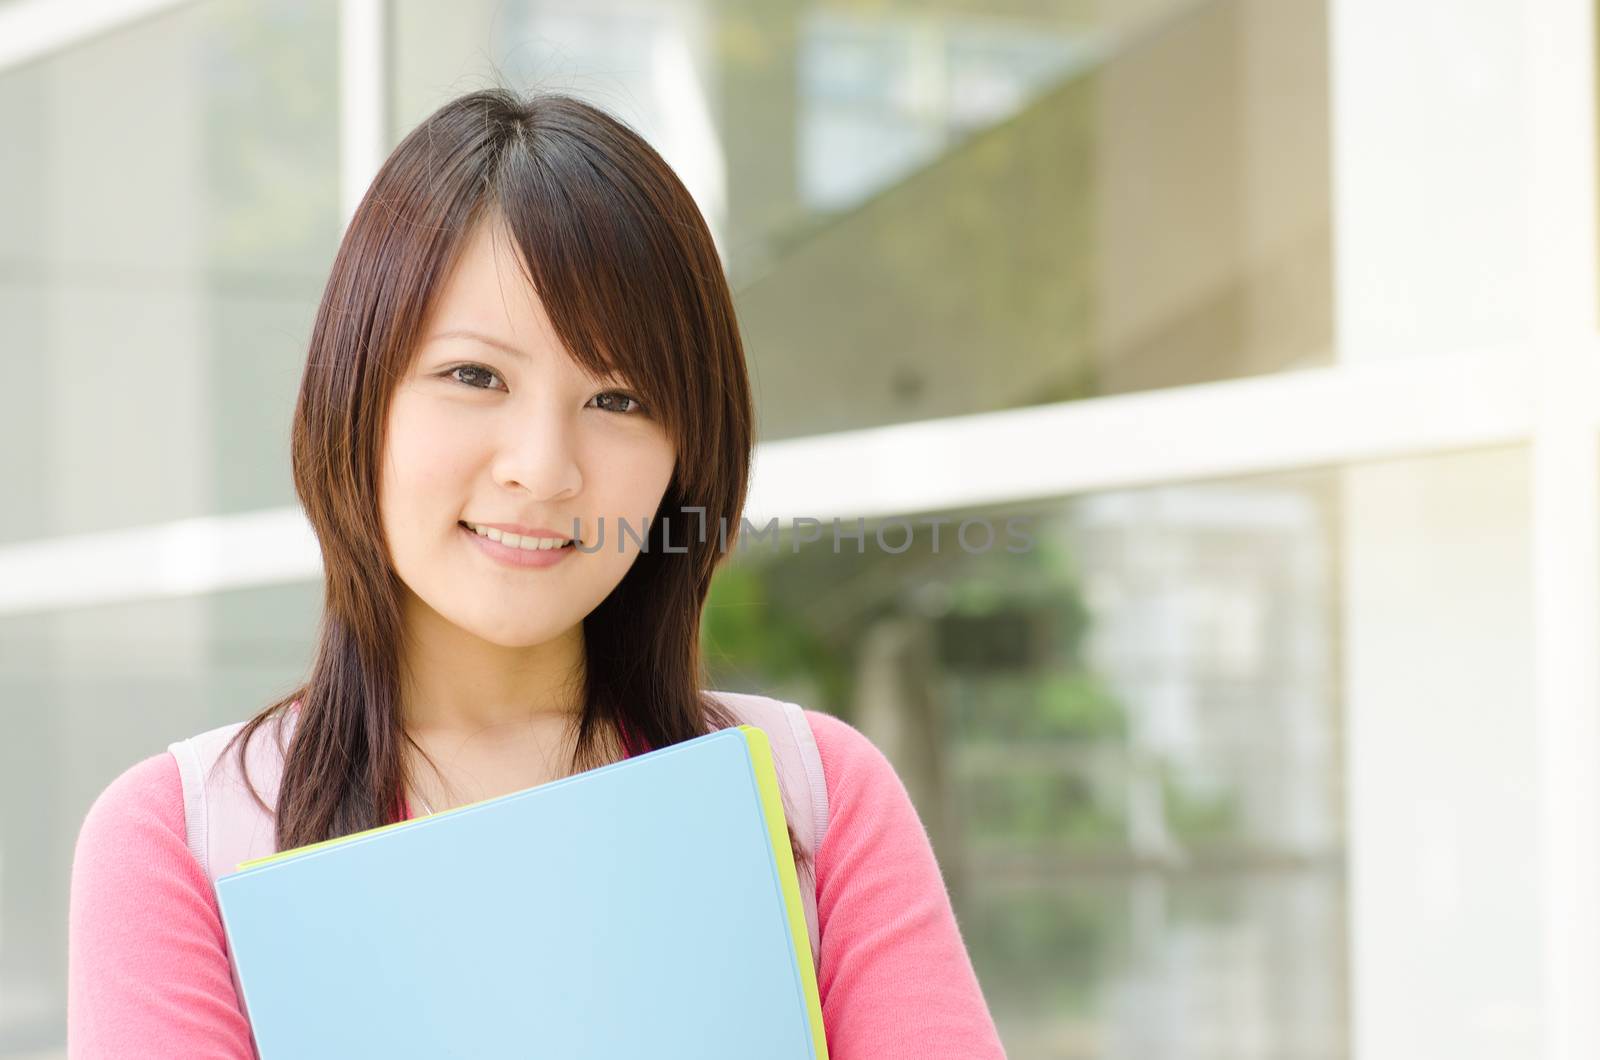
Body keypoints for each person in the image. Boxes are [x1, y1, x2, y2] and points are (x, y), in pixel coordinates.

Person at [65, 87, 1006, 1059]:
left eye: (618, 396)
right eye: (476, 376)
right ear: (358, 396)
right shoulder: (182, 836)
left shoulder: (816, 798)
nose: (543, 466)